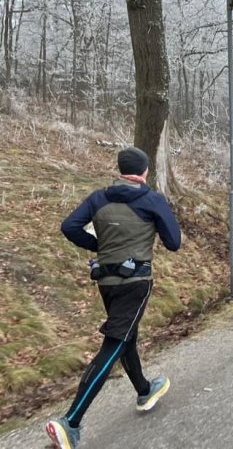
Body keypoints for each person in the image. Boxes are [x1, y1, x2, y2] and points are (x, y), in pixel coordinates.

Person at [45, 147, 181, 449]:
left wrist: (99, 245)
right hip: (136, 282)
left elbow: (69, 227)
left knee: (125, 336)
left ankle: (144, 389)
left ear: (120, 170)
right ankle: (72, 421)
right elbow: (174, 242)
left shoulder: (98, 197)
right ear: (145, 172)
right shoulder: (152, 200)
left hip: (106, 281)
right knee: (117, 340)